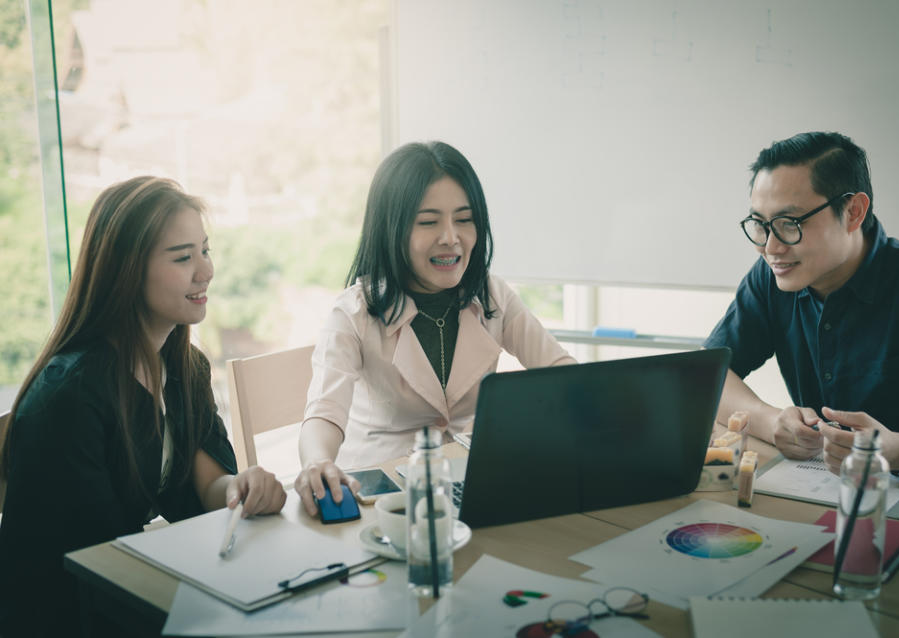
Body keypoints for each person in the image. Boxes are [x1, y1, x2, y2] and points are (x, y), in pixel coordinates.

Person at [0, 177, 286, 636]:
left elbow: (205, 486)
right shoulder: (70, 396)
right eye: (182, 257)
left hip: (123, 593)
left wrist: (241, 488)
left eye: (205, 251)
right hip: (67, 614)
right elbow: (96, 563)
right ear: (126, 271)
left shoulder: (183, 365)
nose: (205, 271)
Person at [295, 141, 576, 512]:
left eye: (464, 219)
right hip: (383, 496)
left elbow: (560, 372)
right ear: (390, 230)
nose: (450, 237)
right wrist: (317, 461)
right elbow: (324, 412)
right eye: (428, 222)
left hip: (472, 483)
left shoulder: (492, 295)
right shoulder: (353, 312)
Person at [704, 131, 899, 477]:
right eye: (760, 225)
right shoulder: (771, 276)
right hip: (821, 489)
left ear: (853, 212)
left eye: (789, 223)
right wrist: (771, 420)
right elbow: (710, 373)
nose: (770, 247)